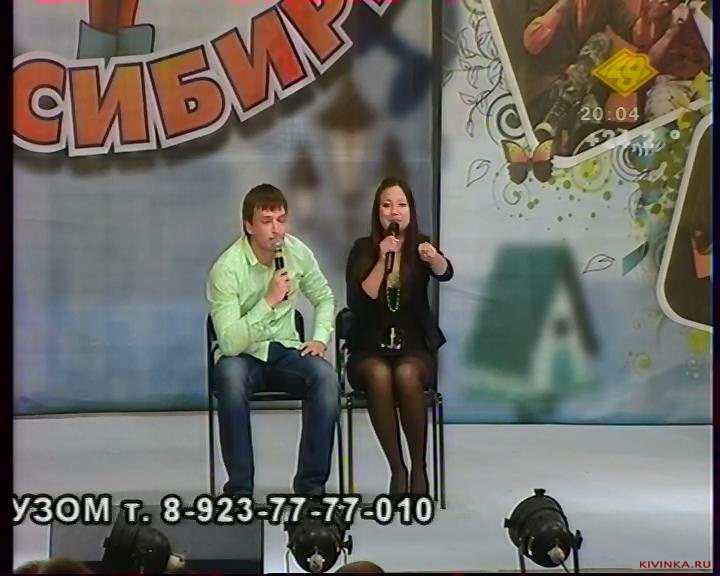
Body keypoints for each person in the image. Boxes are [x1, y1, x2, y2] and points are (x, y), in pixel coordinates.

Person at [206, 184, 339, 496]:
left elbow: (325, 298)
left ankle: (311, 488)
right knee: (230, 376)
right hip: (244, 355)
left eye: (281, 220)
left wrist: (319, 339)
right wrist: (268, 301)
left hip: (285, 352)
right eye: (266, 221)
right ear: (249, 226)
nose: (276, 229)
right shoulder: (227, 269)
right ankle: (239, 491)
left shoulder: (297, 253)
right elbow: (229, 343)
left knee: (325, 377)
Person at [345, 178, 453, 497]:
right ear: (377, 211)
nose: (394, 212)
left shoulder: (421, 245)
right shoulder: (363, 249)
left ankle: (419, 468)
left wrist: (434, 258)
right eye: (387, 205)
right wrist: (382, 259)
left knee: (406, 374)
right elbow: (358, 301)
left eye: (401, 205)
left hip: (414, 347)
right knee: (379, 375)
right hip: (369, 348)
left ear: (411, 211)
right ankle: (397, 469)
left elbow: (445, 272)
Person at [522, 0, 660, 145]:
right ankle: (576, 132)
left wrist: (647, 18)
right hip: (547, 88)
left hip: (582, 90)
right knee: (601, 43)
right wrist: (562, 6)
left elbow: (637, 35)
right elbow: (531, 45)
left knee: (601, 42)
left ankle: (567, 128)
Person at [636, 0, 711, 119]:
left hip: (704, 82)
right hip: (669, 84)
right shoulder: (661, 10)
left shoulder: (705, 10)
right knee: (660, 110)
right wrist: (673, 29)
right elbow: (649, 61)